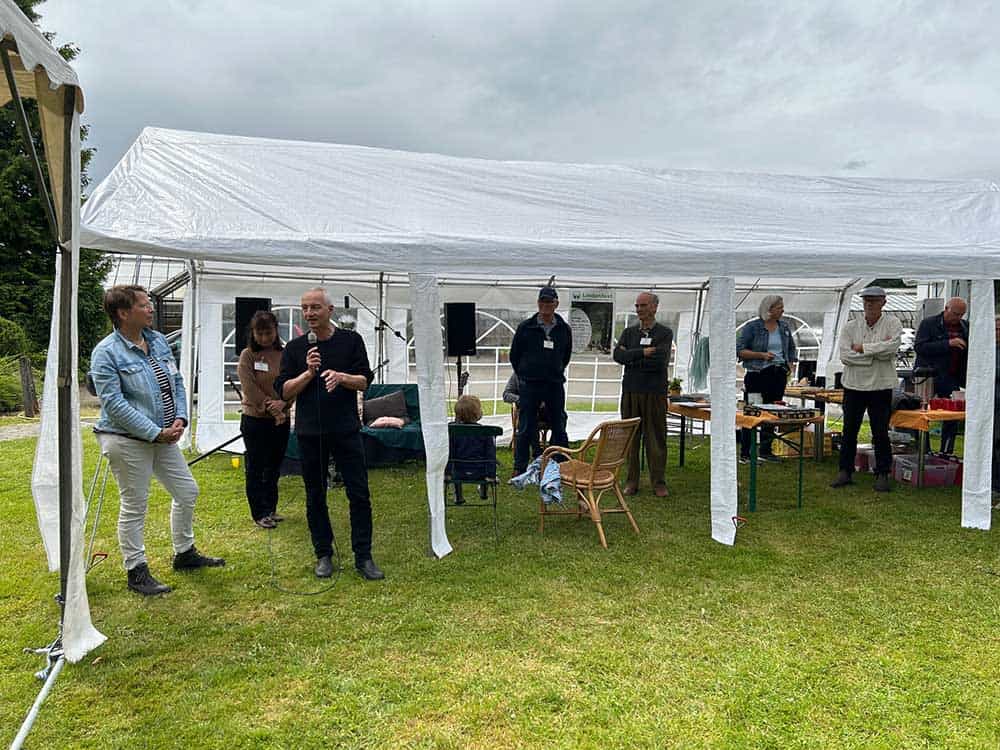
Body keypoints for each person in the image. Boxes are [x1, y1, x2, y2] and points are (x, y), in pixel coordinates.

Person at [90, 285, 225, 596]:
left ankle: (185, 553)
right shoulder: (106, 353)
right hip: (125, 439)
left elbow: (176, 381)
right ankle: (136, 571)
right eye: (143, 305)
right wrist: (154, 432)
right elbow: (114, 404)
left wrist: (180, 418)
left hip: (163, 435)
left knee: (187, 491)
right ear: (123, 313)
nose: (150, 309)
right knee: (134, 504)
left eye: (149, 303)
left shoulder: (158, 341)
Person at [274, 288, 384, 581]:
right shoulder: (295, 348)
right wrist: (308, 373)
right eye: (305, 308)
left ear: (330, 310)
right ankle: (323, 554)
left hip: (346, 429)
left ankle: (364, 556)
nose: (309, 313)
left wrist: (341, 377)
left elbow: (364, 381)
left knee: (359, 493)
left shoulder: (351, 341)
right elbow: (283, 391)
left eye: (315, 307)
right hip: (310, 432)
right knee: (315, 495)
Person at [831, 286, 902, 492]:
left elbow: (892, 348)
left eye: (874, 300)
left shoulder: (893, 323)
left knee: (880, 432)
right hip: (854, 385)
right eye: (866, 300)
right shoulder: (851, 326)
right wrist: (876, 354)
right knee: (849, 430)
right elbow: (845, 356)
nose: (869, 304)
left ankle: (883, 473)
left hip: (881, 386)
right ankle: (845, 471)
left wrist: (863, 348)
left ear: (883, 302)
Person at [613, 291, 673, 497]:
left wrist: (631, 358)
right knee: (630, 437)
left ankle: (658, 482)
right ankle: (631, 481)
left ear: (654, 307)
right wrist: (641, 353)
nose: (639, 309)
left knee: (656, 437)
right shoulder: (629, 332)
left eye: (643, 305)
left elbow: (660, 361)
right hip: (631, 390)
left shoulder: (664, 333)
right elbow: (618, 356)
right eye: (637, 306)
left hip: (654, 391)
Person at [508, 285, 572, 476]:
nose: (545, 305)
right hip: (530, 384)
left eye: (549, 302)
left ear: (556, 304)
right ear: (538, 303)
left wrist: (555, 370)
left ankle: (559, 466)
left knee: (559, 425)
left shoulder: (564, 329)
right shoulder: (525, 327)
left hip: (554, 385)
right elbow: (514, 355)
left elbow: (566, 356)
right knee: (525, 426)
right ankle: (520, 467)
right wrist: (525, 374)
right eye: (542, 301)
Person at [237, 310, 291, 529]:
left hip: (281, 419)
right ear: (252, 333)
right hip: (255, 420)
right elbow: (249, 387)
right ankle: (259, 512)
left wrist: (284, 404)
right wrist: (273, 408)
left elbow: (292, 383)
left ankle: (270, 508)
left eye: (268, 333)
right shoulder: (248, 355)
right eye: (259, 334)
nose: (264, 338)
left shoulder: (285, 354)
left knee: (274, 466)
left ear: (276, 331)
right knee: (256, 467)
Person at [737, 295, 798, 463]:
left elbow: (791, 349)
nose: (783, 310)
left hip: (778, 374)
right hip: (757, 374)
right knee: (752, 412)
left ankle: (766, 449)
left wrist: (789, 366)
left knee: (772, 412)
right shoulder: (752, 327)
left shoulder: (784, 327)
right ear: (768, 309)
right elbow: (740, 350)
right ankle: (746, 452)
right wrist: (761, 355)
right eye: (779, 307)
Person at [914, 297, 968, 454]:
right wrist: (948, 344)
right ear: (946, 308)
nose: (958, 317)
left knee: (952, 415)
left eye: (961, 314)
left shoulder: (965, 327)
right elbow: (920, 347)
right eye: (955, 313)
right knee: (922, 412)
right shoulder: (928, 323)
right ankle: (924, 450)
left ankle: (946, 451)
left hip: (951, 377)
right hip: (927, 376)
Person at [502, 372, 546, 466]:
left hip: (545, 411)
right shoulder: (518, 374)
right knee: (529, 416)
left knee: (561, 417)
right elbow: (506, 395)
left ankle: (556, 454)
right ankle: (536, 453)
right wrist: (522, 399)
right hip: (527, 411)